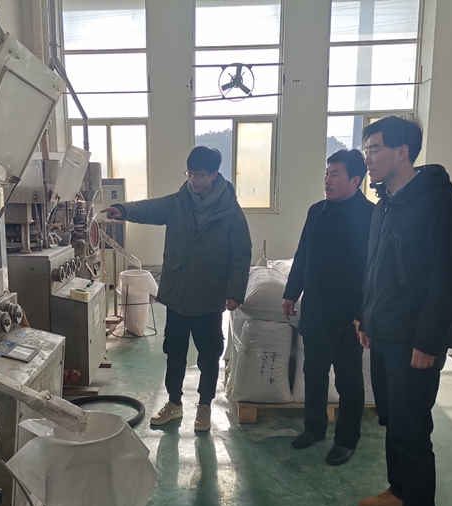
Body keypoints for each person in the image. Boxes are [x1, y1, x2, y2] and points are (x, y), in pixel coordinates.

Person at [356, 116, 452, 506]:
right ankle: (399, 490)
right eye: (366, 149)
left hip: (414, 340)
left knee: (412, 428)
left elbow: (447, 275)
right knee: (391, 420)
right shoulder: (385, 203)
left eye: (375, 149)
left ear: (402, 152)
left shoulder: (437, 201)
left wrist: (428, 341)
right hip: (384, 332)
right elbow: (374, 268)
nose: (368, 158)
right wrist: (366, 318)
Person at [101, 147, 252, 432]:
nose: (193, 179)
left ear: (214, 175)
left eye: (199, 175)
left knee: (209, 354)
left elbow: (241, 254)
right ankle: (174, 403)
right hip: (178, 293)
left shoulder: (230, 211)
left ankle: (204, 405)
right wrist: (124, 210)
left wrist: (235, 292)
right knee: (174, 351)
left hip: (209, 295)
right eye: (190, 173)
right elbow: (151, 208)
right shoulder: (179, 201)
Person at [282, 149, 374, 466]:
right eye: (327, 173)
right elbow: (303, 255)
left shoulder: (370, 216)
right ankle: (314, 428)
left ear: (355, 180)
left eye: (335, 174)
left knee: (348, 380)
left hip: (348, 315)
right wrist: (291, 293)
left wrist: (362, 314)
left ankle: (346, 440)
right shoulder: (317, 211)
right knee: (314, 373)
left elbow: (372, 272)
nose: (328, 180)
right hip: (317, 309)